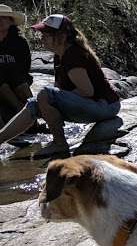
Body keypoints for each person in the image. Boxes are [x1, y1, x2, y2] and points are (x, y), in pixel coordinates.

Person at [0, 13, 121, 158]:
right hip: (91, 104)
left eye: (46, 34)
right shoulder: (59, 55)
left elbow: (87, 91)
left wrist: (54, 100)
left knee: (45, 94)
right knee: (34, 104)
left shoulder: (74, 55)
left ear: (62, 37)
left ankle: (60, 143)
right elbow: (61, 89)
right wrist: (49, 104)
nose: (41, 37)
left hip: (105, 106)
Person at [0, 4, 33, 125]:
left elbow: (24, 68)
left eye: (4, 18)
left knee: (19, 80)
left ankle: (33, 116)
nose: (0, 21)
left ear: (11, 22)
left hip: (17, 82)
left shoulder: (20, 42)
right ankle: (21, 113)